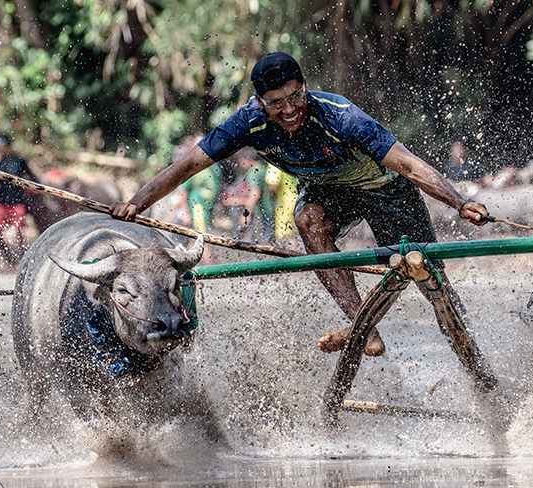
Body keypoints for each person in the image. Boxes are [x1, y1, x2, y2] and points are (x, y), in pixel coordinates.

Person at [110, 52, 490, 357]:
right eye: (276, 103)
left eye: (295, 96)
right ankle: (362, 325)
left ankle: (468, 347)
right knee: (307, 218)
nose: (289, 109)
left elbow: (407, 163)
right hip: (328, 192)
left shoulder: (339, 116)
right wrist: (137, 202)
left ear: (305, 87)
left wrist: (459, 203)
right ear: (260, 101)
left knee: (431, 281)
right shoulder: (247, 122)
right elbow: (188, 164)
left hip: (385, 189)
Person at [0, 133, 39, 265]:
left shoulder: (19, 161)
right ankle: (7, 260)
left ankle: (22, 260)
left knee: (17, 232)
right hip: (1, 202)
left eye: (0, 145)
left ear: (7, 145)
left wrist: (33, 186)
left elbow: (33, 179)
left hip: (17, 201)